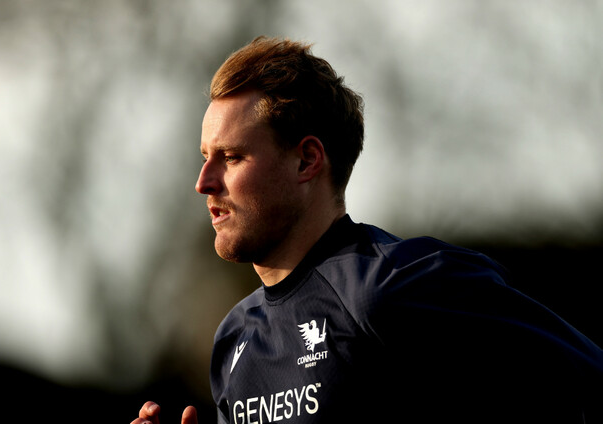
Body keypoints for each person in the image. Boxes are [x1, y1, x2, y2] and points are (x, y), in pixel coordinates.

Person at [131, 36, 603, 424]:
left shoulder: (391, 288)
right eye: (205, 157)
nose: (203, 182)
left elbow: (585, 378)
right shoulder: (234, 339)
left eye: (232, 157)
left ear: (307, 160)